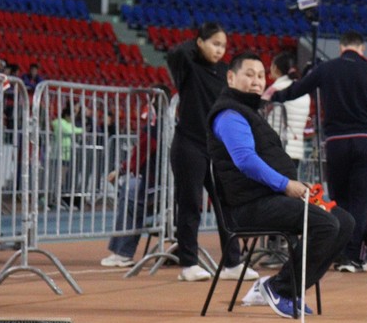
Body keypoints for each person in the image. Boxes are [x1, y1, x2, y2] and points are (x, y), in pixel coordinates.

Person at [210, 52, 355, 319]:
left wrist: (297, 184)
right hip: (248, 206)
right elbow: (246, 161)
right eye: (249, 75)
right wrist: (286, 184)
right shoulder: (229, 115)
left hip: (272, 198)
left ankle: (289, 287)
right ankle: (280, 288)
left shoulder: (251, 112)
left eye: (261, 76)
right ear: (231, 77)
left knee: (344, 222)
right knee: (324, 224)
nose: (256, 81)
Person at [271, 30, 367, 272]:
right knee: (360, 199)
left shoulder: (326, 69)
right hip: (365, 140)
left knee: (338, 198)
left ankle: (338, 251)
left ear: (341, 47)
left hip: (336, 141)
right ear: (362, 48)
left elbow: (298, 89)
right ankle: (353, 256)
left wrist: (273, 96)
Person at [166, 21, 253, 283]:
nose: (220, 50)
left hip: (216, 148)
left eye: (223, 45)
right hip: (189, 144)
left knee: (226, 204)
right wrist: (197, 42)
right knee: (191, 204)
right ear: (200, 42)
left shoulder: (226, 72)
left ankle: (232, 263)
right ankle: (188, 263)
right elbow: (175, 54)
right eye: (214, 44)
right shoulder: (188, 67)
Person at [101, 105, 161, 268]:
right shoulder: (177, 123)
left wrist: (120, 170)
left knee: (130, 193)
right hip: (171, 189)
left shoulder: (153, 130)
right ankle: (119, 251)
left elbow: (140, 153)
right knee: (131, 190)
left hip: (156, 186)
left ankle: (122, 252)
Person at [263, 52, 310, 164]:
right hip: (296, 151)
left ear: (275, 68)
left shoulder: (274, 89)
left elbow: (261, 113)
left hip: (276, 149)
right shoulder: (304, 92)